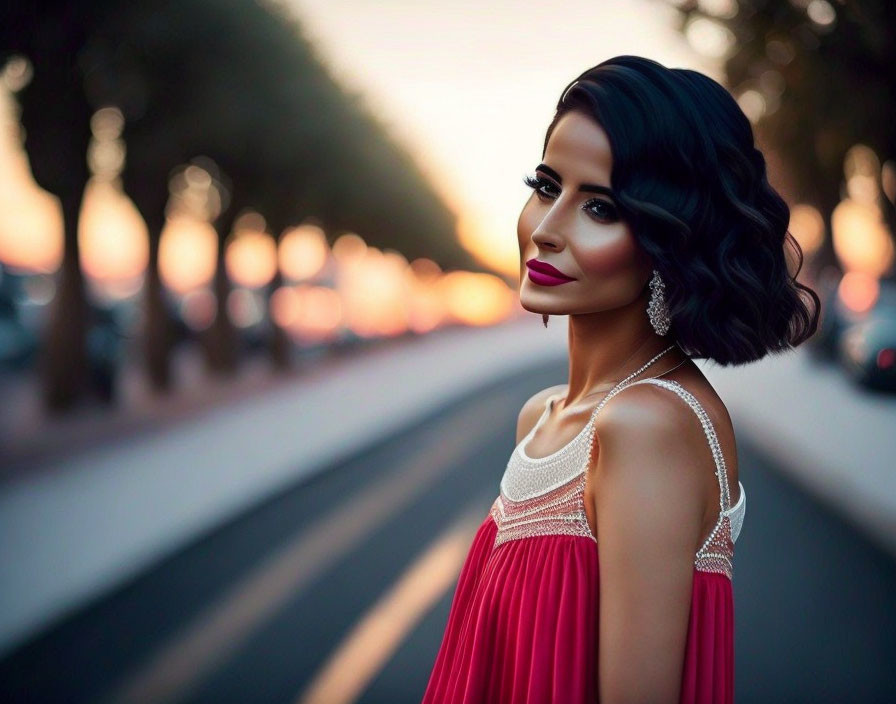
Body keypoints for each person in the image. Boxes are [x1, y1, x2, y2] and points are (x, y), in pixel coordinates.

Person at [420, 55, 820, 704]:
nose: (546, 230)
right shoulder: (544, 416)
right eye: (547, 185)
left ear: (671, 240)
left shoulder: (645, 425)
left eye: (600, 207)